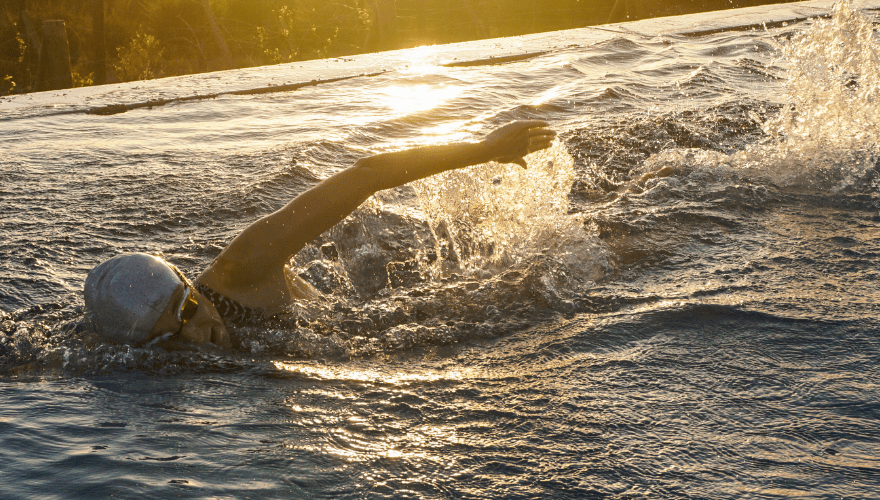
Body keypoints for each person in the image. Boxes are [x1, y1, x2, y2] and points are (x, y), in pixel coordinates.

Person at [84, 119, 556, 348]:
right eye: (170, 337)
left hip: (364, 313)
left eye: (187, 308)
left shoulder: (244, 266)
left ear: (189, 285)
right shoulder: (147, 352)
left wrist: (483, 150)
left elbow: (367, 175)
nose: (195, 333)